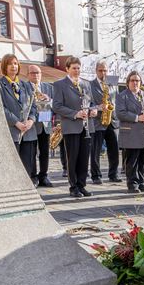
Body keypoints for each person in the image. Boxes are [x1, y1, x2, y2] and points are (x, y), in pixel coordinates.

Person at [52, 56, 97, 198]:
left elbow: (91, 103)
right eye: (74, 68)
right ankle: (73, 187)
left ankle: (82, 185)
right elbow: (57, 106)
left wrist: (93, 110)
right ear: (67, 69)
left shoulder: (86, 84)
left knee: (84, 158)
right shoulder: (60, 84)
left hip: (86, 127)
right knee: (73, 158)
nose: (77, 71)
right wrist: (75, 114)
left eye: (78, 68)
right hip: (71, 126)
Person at [0, 54, 38, 181]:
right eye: (10, 64)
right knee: (11, 168)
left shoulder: (26, 86)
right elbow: (0, 107)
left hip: (28, 132)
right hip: (11, 132)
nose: (13, 66)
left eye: (15, 63)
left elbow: (34, 107)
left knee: (27, 168)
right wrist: (16, 122)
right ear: (5, 66)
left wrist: (31, 120)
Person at [116, 72, 144, 194]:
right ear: (128, 82)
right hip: (131, 134)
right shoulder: (122, 96)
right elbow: (120, 113)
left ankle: (141, 182)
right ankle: (132, 184)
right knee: (132, 161)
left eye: (137, 81)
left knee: (143, 161)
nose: (135, 83)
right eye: (132, 80)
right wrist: (137, 117)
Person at [89, 61, 122, 184]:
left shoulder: (112, 84)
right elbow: (88, 102)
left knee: (114, 150)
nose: (103, 73)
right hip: (98, 121)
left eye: (105, 70)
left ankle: (113, 174)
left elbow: (117, 99)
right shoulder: (90, 85)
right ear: (96, 71)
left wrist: (113, 105)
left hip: (112, 120)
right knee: (95, 150)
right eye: (100, 70)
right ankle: (96, 175)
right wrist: (98, 107)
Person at [27, 65, 54, 187]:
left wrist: (49, 100)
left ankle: (44, 175)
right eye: (32, 73)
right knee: (32, 152)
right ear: (28, 75)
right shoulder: (25, 87)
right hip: (32, 124)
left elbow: (56, 104)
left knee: (45, 152)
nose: (36, 75)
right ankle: (33, 177)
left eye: (38, 73)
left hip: (46, 123)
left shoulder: (48, 87)